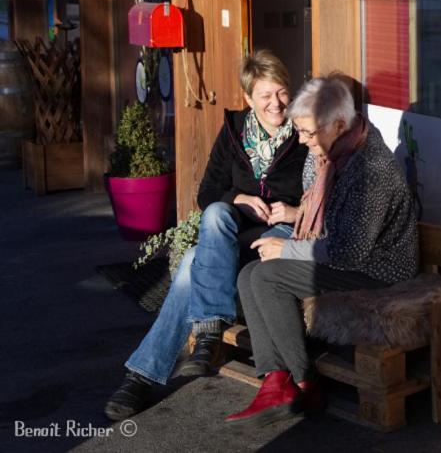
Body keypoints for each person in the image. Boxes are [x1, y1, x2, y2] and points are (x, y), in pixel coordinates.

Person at [105, 50, 309, 421]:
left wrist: (294, 211)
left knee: (189, 266)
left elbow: (320, 193)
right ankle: (202, 332)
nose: (276, 104)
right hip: (234, 235)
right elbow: (208, 193)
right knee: (215, 212)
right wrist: (239, 198)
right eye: (265, 96)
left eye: (281, 93)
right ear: (248, 99)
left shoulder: (303, 133)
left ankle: (142, 375)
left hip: (278, 237)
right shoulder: (233, 131)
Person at [226, 74, 419, 424]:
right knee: (249, 274)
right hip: (343, 254)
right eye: (299, 131)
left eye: (309, 133)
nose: (302, 141)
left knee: (269, 278)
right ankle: (274, 377)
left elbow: (350, 252)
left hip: (379, 270)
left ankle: (302, 381)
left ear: (341, 124)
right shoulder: (325, 158)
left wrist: (286, 250)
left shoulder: (371, 170)